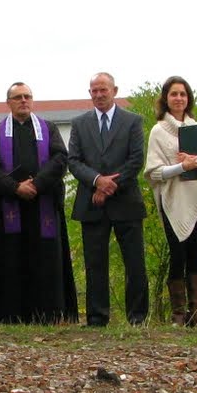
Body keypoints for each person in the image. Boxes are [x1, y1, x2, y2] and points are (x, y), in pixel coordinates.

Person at [0, 82, 77, 324]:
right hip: (11, 207)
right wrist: (16, 188)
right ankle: (11, 315)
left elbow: (60, 159)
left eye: (27, 96)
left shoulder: (49, 128)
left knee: (46, 262)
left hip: (43, 206)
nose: (23, 100)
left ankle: (48, 313)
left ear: (32, 100)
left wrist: (36, 184)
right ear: (8, 103)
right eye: (17, 97)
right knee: (12, 261)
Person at [67, 72, 149, 326]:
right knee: (95, 264)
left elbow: (136, 159)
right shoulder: (79, 123)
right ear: (89, 93)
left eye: (103, 89)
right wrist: (96, 181)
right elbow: (74, 161)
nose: (99, 94)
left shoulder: (132, 121)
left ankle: (137, 317)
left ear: (114, 90)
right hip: (91, 202)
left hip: (125, 201)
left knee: (134, 263)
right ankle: (97, 317)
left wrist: (109, 185)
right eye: (94, 90)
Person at [145, 76, 197, 326]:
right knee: (178, 254)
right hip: (173, 201)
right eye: (174, 94)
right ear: (166, 98)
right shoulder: (158, 131)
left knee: (196, 254)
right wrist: (180, 167)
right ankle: (178, 314)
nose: (179, 98)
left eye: (183, 94)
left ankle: (195, 314)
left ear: (189, 98)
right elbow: (153, 172)